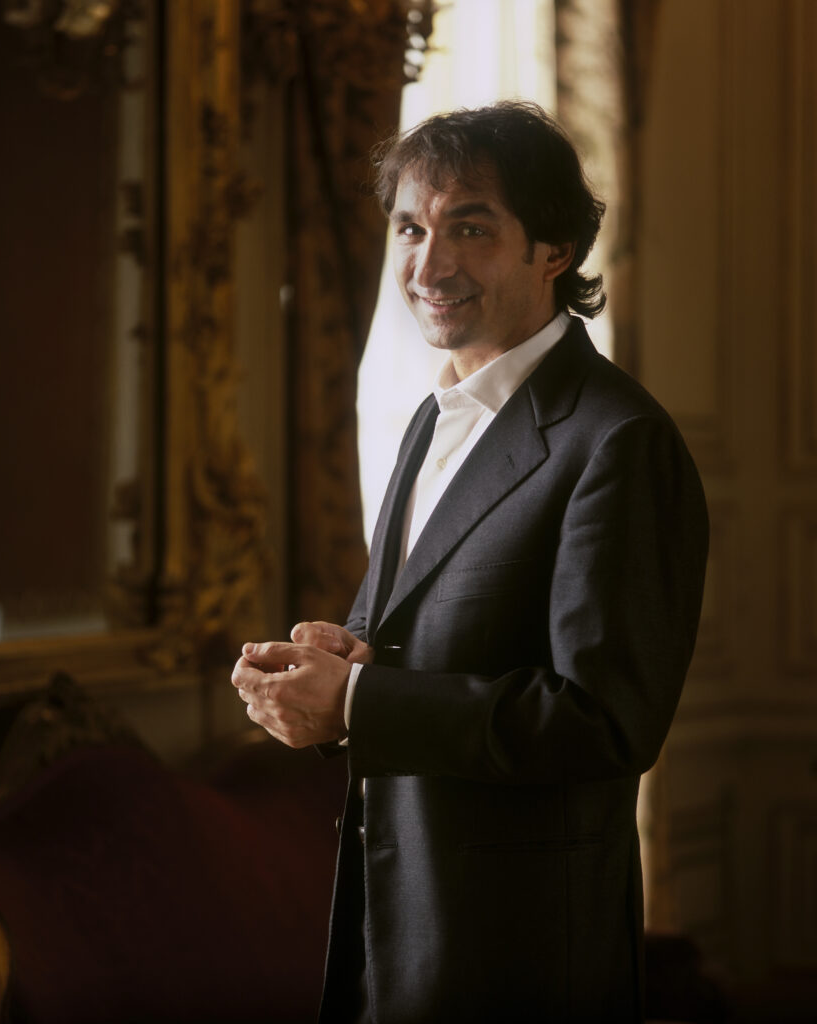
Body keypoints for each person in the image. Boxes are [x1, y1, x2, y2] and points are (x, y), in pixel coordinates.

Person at [231, 101, 708, 1023]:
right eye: (412, 228)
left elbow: (606, 724)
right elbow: (418, 637)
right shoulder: (432, 415)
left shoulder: (619, 441)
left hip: (521, 950)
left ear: (554, 249)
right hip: (392, 924)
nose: (429, 265)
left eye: (472, 228)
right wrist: (347, 658)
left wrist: (358, 702)